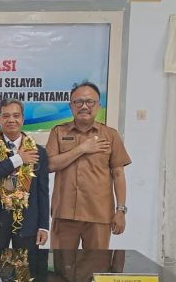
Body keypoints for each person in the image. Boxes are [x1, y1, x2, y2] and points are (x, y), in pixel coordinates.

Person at [46, 82, 131, 249]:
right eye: (78, 102)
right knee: (62, 263)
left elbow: (118, 174)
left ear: (98, 105)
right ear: (71, 106)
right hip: (64, 213)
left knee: (96, 263)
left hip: (99, 214)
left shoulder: (110, 135)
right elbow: (49, 165)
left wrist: (121, 210)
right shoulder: (58, 132)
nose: (84, 106)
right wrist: (82, 149)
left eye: (90, 102)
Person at [0, 98, 49, 271]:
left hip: (27, 220)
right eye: (6, 116)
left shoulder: (38, 151)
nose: (11, 120)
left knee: (25, 273)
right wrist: (18, 159)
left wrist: (43, 225)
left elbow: (43, 191)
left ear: (22, 119)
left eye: (16, 115)